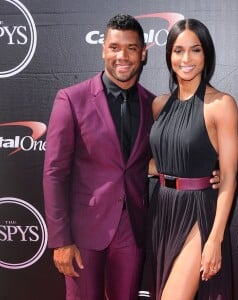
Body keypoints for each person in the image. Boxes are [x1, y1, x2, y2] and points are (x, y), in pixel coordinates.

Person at [43, 14, 220, 300]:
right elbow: (54, 173)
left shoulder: (155, 104)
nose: (122, 56)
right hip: (84, 231)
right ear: (103, 50)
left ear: (143, 53)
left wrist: (212, 171)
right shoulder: (71, 99)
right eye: (114, 47)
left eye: (131, 48)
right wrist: (61, 240)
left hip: (133, 231)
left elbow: (166, 156)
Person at [139, 19, 238, 300]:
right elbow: (160, 160)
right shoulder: (160, 105)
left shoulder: (221, 105)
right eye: (178, 50)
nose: (186, 59)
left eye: (195, 50)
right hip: (162, 211)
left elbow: (229, 178)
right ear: (169, 56)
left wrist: (215, 239)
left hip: (198, 213)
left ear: (206, 54)